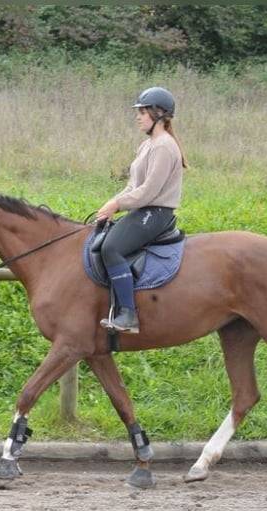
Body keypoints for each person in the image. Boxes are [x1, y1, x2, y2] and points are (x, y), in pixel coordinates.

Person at [96, 86, 189, 334]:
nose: (138, 116)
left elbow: (149, 191)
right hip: (143, 210)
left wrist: (117, 204)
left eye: (143, 111)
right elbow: (132, 185)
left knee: (111, 248)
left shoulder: (164, 146)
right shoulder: (147, 144)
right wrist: (111, 204)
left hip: (156, 213)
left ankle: (128, 315)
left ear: (158, 113)